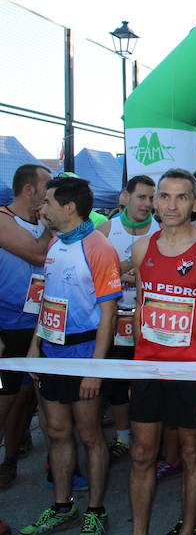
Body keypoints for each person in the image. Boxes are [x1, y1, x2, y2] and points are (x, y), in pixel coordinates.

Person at [129, 168, 196, 535]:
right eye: (165, 196)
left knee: (192, 455)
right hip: (148, 370)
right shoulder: (141, 247)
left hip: (193, 373)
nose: (171, 205)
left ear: (195, 202)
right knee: (141, 454)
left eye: (181, 197)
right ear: (155, 201)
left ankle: (189, 528)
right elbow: (143, 306)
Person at [22, 176, 121, 535]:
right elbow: (47, 298)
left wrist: (95, 368)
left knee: (91, 435)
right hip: (51, 349)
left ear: (69, 207)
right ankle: (62, 506)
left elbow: (109, 313)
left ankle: (96, 510)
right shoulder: (54, 243)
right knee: (58, 432)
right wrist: (35, 346)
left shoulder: (98, 247)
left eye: (47, 203)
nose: (41, 208)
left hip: (84, 351)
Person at [97, 175, 159, 464]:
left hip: (151, 321)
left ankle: (149, 440)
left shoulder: (161, 230)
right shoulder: (107, 230)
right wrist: (120, 273)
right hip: (115, 319)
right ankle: (123, 437)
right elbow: (92, 274)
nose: (147, 204)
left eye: (151, 198)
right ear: (126, 197)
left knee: (149, 383)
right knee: (118, 383)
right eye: (141, 197)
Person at [0, 164, 52, 490]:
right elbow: (36, 254)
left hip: (41, 325)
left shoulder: (40, 223)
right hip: (7, 328)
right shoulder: (3, 219)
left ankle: (12, 460)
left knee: (30, 400)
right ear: (30, 190)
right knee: (5, 399)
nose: (53, 192)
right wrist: (50, 226)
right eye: (48, 186)